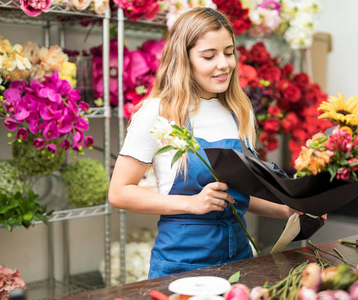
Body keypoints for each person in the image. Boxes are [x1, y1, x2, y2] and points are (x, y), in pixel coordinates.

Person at [108, 7, 311, 279]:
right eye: (209, 56)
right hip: (182, 265)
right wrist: (192, 203)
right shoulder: (158, 112)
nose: (224, 64)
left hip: (240, 261)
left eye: (229, 52)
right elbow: (120, 192)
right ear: (184, 59)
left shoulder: (239, 110)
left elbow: (237, 196)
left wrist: (288, 210)